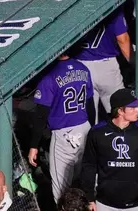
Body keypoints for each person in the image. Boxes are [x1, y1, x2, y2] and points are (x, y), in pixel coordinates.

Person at [28, 52, 96, 202]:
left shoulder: (49, 76)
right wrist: (93, 131)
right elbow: (90, 106)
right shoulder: (83, 68)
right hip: (85, 129)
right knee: (83, 182)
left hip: (64, 136)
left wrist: (34, 146)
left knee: (61, 191)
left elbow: (41, 116)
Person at [73, 7, 131, 120]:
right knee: (120, 113)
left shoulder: (76, 7)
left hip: (80, 66)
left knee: (87, 117)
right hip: (106, 66)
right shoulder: (110, 6)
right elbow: (122, 39)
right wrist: (134, 63)